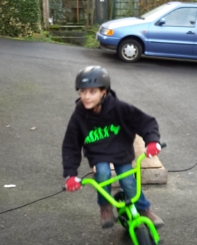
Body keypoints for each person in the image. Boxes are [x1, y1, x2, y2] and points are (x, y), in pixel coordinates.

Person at [62, 65, 164, 229]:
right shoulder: (78, 117)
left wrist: (152, 141)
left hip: (121, 151)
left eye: (92, 91)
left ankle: (144, 209)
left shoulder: (120, 108)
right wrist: (70, 175)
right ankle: (105, 207)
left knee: (128, 181)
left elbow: (146, 122)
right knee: (102, 173)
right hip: (98, 154)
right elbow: (70, 146)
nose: (86, 96)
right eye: (83, 91)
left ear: (104, 92)